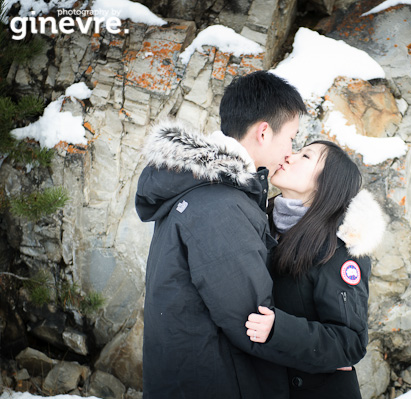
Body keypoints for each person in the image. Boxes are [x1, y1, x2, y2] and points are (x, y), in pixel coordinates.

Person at [135, 70, 383, 399]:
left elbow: (346, 339)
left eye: (303, 152)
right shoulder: (224, 206)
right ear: (264, 133)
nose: (291, 151)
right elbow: (249, 323)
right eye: (293, 138)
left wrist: (327, 350)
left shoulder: (219, 196)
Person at [245, 141, 386, 398]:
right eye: (297, 150)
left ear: (326, 183)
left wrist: (279, 330)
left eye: (306, 156)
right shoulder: (261, 221)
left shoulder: (338, 247)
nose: (290, 156)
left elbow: (350, 343)